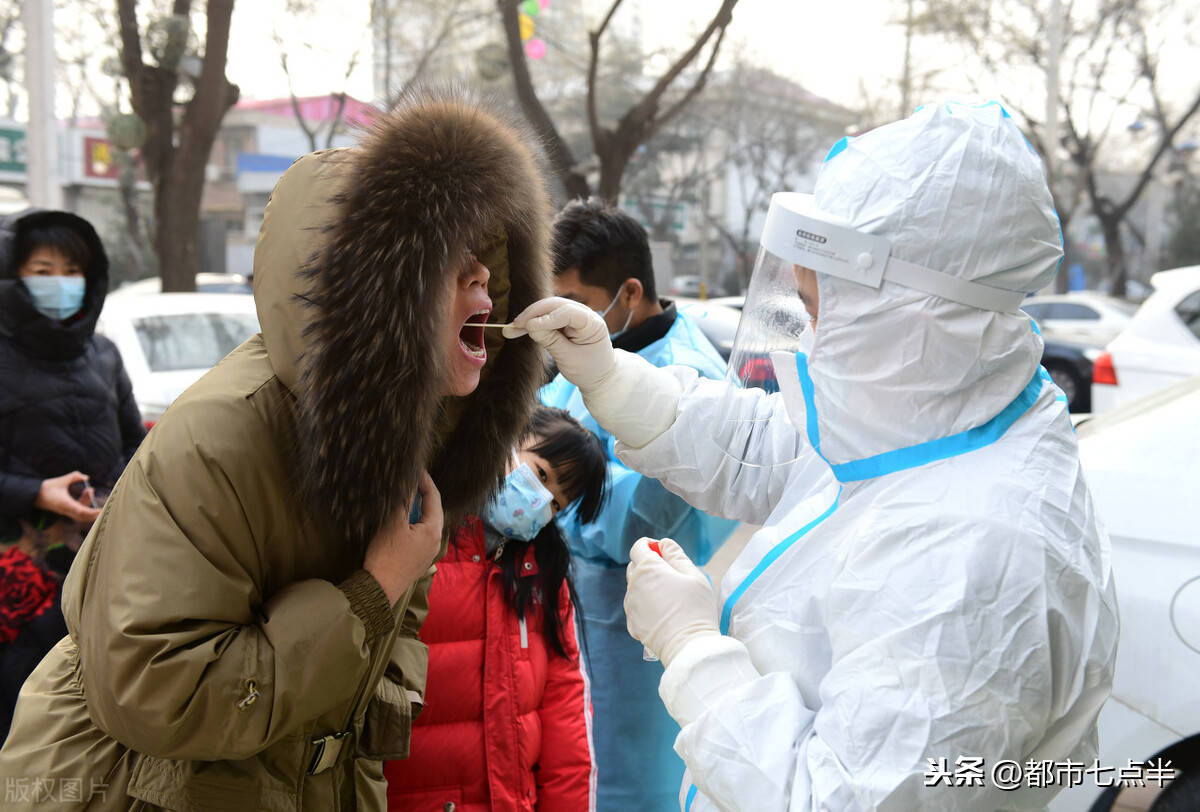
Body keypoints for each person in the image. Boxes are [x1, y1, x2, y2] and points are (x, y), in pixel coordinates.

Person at [507, 102, 1118, 810]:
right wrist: (612, 378)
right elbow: (768, 449)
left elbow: (840, 799)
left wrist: (695, 650)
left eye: (820, 309)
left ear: (907, 312)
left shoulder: (978, 554)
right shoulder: (938, 406)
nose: (809, 335)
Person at [0, 90, 553, 810]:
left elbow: (358, 705)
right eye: (449, 258)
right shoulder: (221, 439)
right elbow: (157, 691)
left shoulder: (415, 446)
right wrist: (372, 591)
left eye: (488, 257)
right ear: (372, 295)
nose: (480, 277)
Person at [539, 199, 738, 810]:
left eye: (576, 303)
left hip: (628, 614)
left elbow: (630, 520)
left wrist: (538, 491)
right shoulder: (591, 355)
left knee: (630, 780)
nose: (566, 324)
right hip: (580, 600)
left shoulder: (687, 380)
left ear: (629, 292)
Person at [385, 406, 606, 810]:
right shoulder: (414, 532)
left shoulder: (542, 576)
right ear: (507, 434)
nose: (540, 503)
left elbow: (566, 719)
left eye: (555, 504)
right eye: (540, 473)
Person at [0, 209, 145, 742]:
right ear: (12, 276)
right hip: (19, 583)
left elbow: (137, 442)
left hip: (101, 568)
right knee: (20, 718)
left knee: (90, 719)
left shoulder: (103, 354)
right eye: (42, 270)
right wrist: (38, 492)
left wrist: (117, 492)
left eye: (72, 269)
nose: (60, 283)